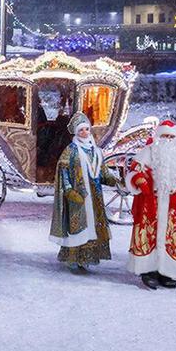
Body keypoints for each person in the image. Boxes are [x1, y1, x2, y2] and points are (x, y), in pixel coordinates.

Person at [124, 120, 176, 289]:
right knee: (148, 234)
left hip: (170, 203)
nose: (167, 139)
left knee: (168, 237)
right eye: (164, 135)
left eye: (171, 136)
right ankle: (148, 270)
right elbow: (135, 171)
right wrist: (141, 183)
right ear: (158, 136)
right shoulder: (148, 152)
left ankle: (167, 271)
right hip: (150, 202)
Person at [50, 112, 119, 272]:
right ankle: (73, 257)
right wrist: (68, 190)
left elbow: (102, 172)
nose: (85, 132)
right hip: (78, 196)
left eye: (87, 129)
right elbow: (63, 172)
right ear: (76, 132)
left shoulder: (96, 151)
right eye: (81, 130)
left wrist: (115, 180)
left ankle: (86, 257)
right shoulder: (70, 151)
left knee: (91, 227)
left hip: (95, 197)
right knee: (77, 226)